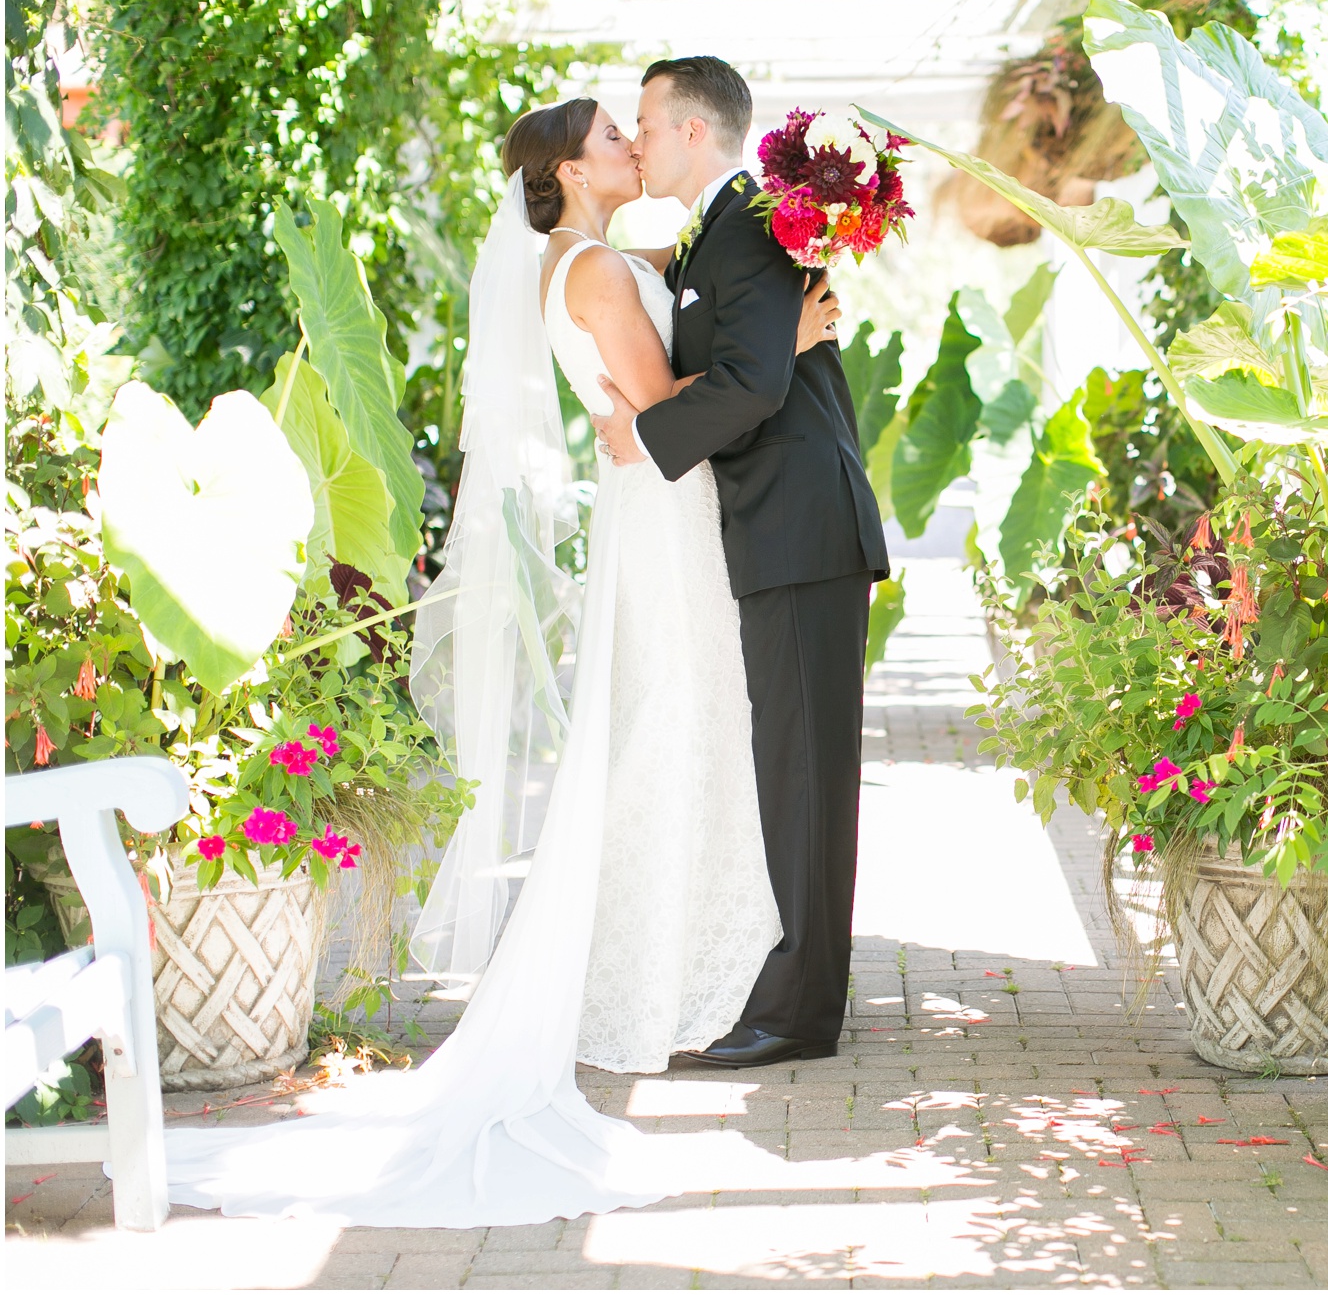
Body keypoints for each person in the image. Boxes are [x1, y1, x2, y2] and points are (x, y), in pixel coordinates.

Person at [155, 93, 845, 1226]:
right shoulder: (595, 275)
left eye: (639, 131)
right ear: (571, 174)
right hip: (666, 517)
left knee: (682, 719)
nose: (632, 142)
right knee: (679, 718)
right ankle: (658, 970)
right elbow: (669, 404)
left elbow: (684, 276)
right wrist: (798, 340)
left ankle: (690, 957)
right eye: (612, 140)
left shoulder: (585, 260)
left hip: (651, 510)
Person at [588, 56, 890, 1069]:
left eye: (643, 121)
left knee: (805, 773)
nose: (633, 140)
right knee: (788, 767)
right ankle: (794, 985)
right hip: (779, 528)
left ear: (690, 131)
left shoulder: (754, 224)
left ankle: (800, 1013)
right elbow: (749, 352)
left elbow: (752, 383)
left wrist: (645, 435)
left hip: (800, 528)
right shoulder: (720, 233)